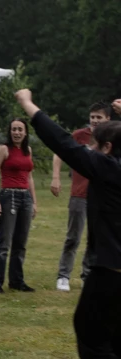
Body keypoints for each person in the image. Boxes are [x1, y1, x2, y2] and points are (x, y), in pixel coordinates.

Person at [16, 89, 121, 359]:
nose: (89, 149)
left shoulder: (106, 168)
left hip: (110, 273)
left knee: (92, 340)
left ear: (105, 149)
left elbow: (62, 142)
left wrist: (29, 105)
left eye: (95, 144)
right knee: (115, 345)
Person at [51, 102, 111, 291]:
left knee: (96, 238)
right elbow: (60, 152)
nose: (94, 120)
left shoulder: (113, 137)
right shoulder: (80, 136)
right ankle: (63, 276)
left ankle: (87, 275)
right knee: (73, 237)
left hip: (103, 195)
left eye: (99, 117)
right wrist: (56, 177)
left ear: (107, 119)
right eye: (92, 117)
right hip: (80, 194)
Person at [0, 118, 38, 293]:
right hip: (9, 196)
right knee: (4, 242)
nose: (16, 133)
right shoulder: (3, 149)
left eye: (20, 129)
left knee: (20, 243)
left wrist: (34, 202)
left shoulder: (27, 150)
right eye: (14, 129)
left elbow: (29, 177)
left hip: (25, 198)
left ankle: (17, 281)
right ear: (10, 132)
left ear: (25, 132)